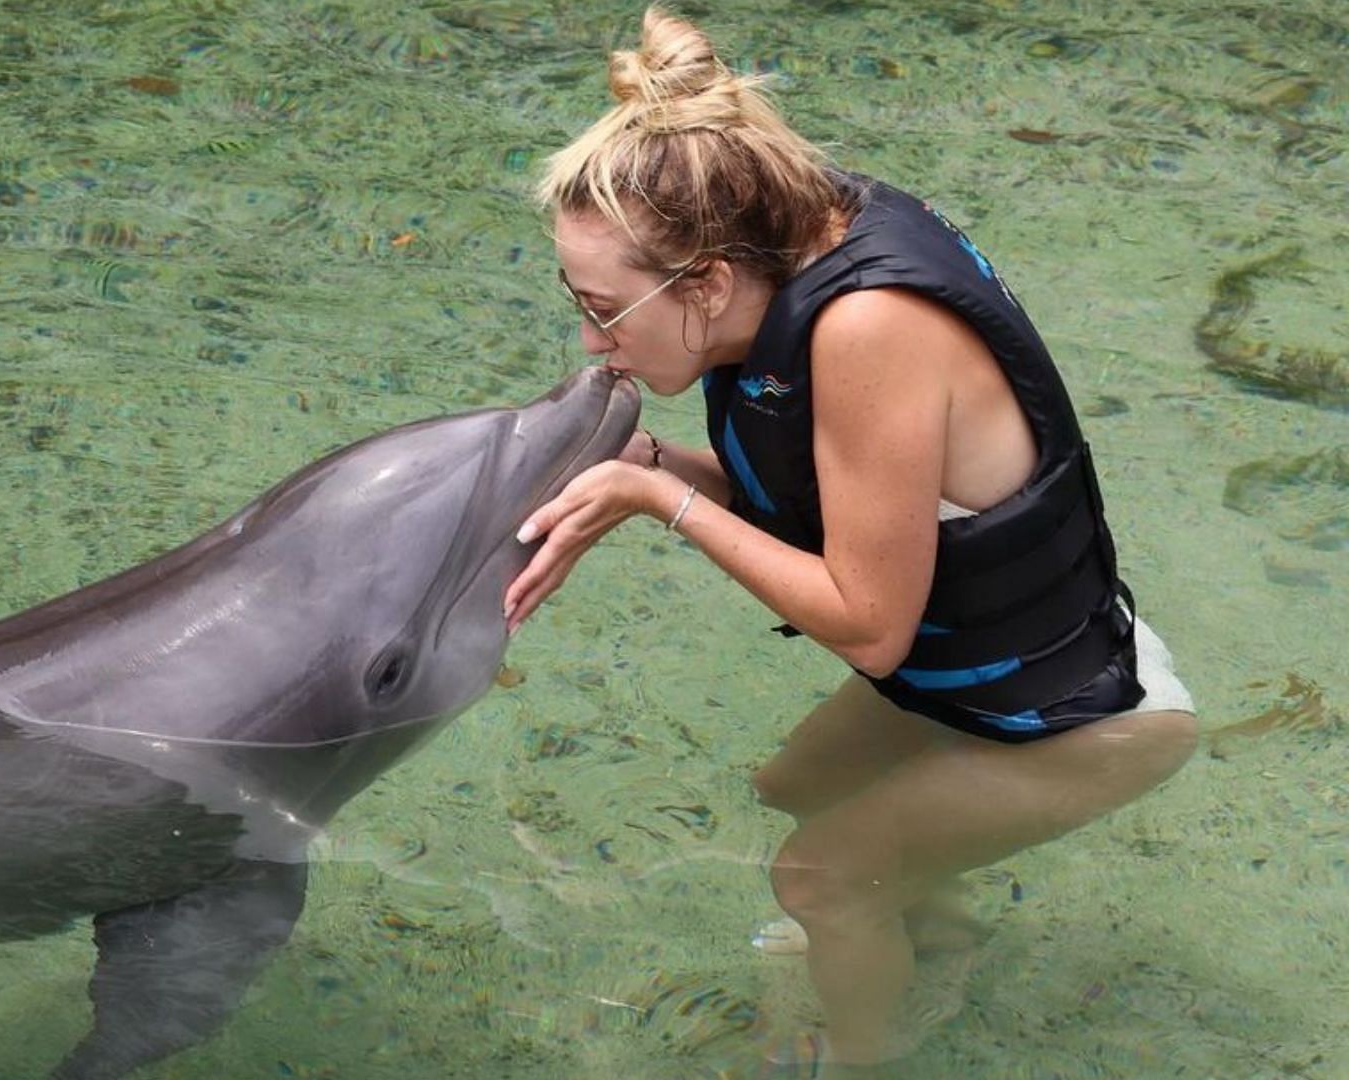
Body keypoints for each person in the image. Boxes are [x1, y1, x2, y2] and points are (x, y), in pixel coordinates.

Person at [501, 6, 1200, 1072]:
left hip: (1083, 718)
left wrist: (662, 505)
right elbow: (816, 503)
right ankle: (941, 932)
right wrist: (644, 469)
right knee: (796, 791)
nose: (593, 341)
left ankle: (861, 1059)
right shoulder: (777, 250)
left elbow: (868, 627)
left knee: (817, 874)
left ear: (706, 283)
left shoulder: (871, 328)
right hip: (971, 681)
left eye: (601, 308)